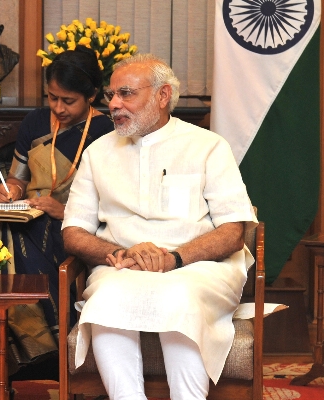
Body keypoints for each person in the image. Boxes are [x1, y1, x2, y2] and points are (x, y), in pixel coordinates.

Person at [61, 53, 258, 399]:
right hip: (121, 266)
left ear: (163, 96)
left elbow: (232, 232)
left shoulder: (208, 146)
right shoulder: (97, 152)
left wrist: (175, 259)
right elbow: (73, 232)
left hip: (199, 267)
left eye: (126, 94)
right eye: (111, 95)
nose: (115, 105)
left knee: (178, 297)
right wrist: (120, 252)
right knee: (106, 300)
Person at [0, 46, 114, 399]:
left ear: (92, 96)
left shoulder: (108, 130)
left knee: (3, 251)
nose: (58, 108)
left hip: (76, 227)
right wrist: (11, 190)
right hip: (27, 218)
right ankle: (10, 357)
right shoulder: (36, 122)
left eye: (69, 101)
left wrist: (63, 210)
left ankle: (24, 360)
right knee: (1, 236)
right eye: (52, 98)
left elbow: (114, 205)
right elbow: (18, 177)